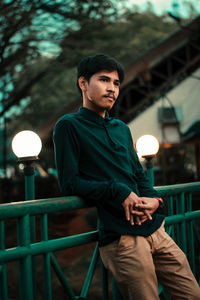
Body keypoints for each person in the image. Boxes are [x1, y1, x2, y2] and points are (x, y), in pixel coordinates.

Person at [53, 54, 200, 300]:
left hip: (155, 229)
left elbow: (139, 176)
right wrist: (117, 191)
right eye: (103, 80)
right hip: (122, 238)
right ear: (83, 84)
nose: (112, 88)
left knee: (191, 294)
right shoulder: (68, 126)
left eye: (116, 82)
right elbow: (69, 183)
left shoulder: (121, 128)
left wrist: (154, 200)